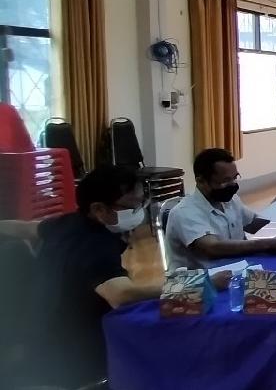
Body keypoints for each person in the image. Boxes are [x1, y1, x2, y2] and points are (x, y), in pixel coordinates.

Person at [0, 166, 231, 388]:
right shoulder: (95, 246)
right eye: (132, 206)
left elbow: (24, 228)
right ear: (99, 209)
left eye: (142, 202)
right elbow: (122, 294)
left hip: (37, 332)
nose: (140, 211)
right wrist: (200, 284)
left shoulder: (67, 222)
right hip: (73, 351)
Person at [165, 148, 276, 270]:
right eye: (225, 181)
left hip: (236, 269)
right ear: (201, 181)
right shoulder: (184, 212)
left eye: (234, 178)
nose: (232, 185)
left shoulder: (230, 200)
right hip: (201, 283)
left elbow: (252, 225)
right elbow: (212, 248)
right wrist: (267, 244)